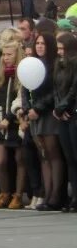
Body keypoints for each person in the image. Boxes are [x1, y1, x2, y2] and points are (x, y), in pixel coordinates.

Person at [24, 32, 64, 210]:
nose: (39, 46)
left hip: (48, 114)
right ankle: (47, 195)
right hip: (34, 116)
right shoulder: (31, 64)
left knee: (53, 155)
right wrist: (27, 109)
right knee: (43, 157)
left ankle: (56, 196)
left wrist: (38, 108)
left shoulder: (54, 66)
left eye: (43, 44)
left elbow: (55, 92)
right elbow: (25, 88)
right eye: (37, 43)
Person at [0, 41, 25, 209]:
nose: (5, 58)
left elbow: (20, 100)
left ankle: (18, 195)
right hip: (0, 122)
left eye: (9, 55)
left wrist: (9, 119)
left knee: (20, 159)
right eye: (4, 55)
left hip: (15, 122)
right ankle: (4, 193)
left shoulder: (22, 74)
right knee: (1, 161)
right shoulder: (0, 75)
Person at [54, 32, 77, 212]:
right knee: (69, 158)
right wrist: (58, 109)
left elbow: (73, 90)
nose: (59, 52)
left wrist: (63, 108)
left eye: (62, 48)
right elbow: (56, 88)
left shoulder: (75, 64)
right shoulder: (58, 64)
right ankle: (73, 196)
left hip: (72, 113)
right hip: (62, 115)